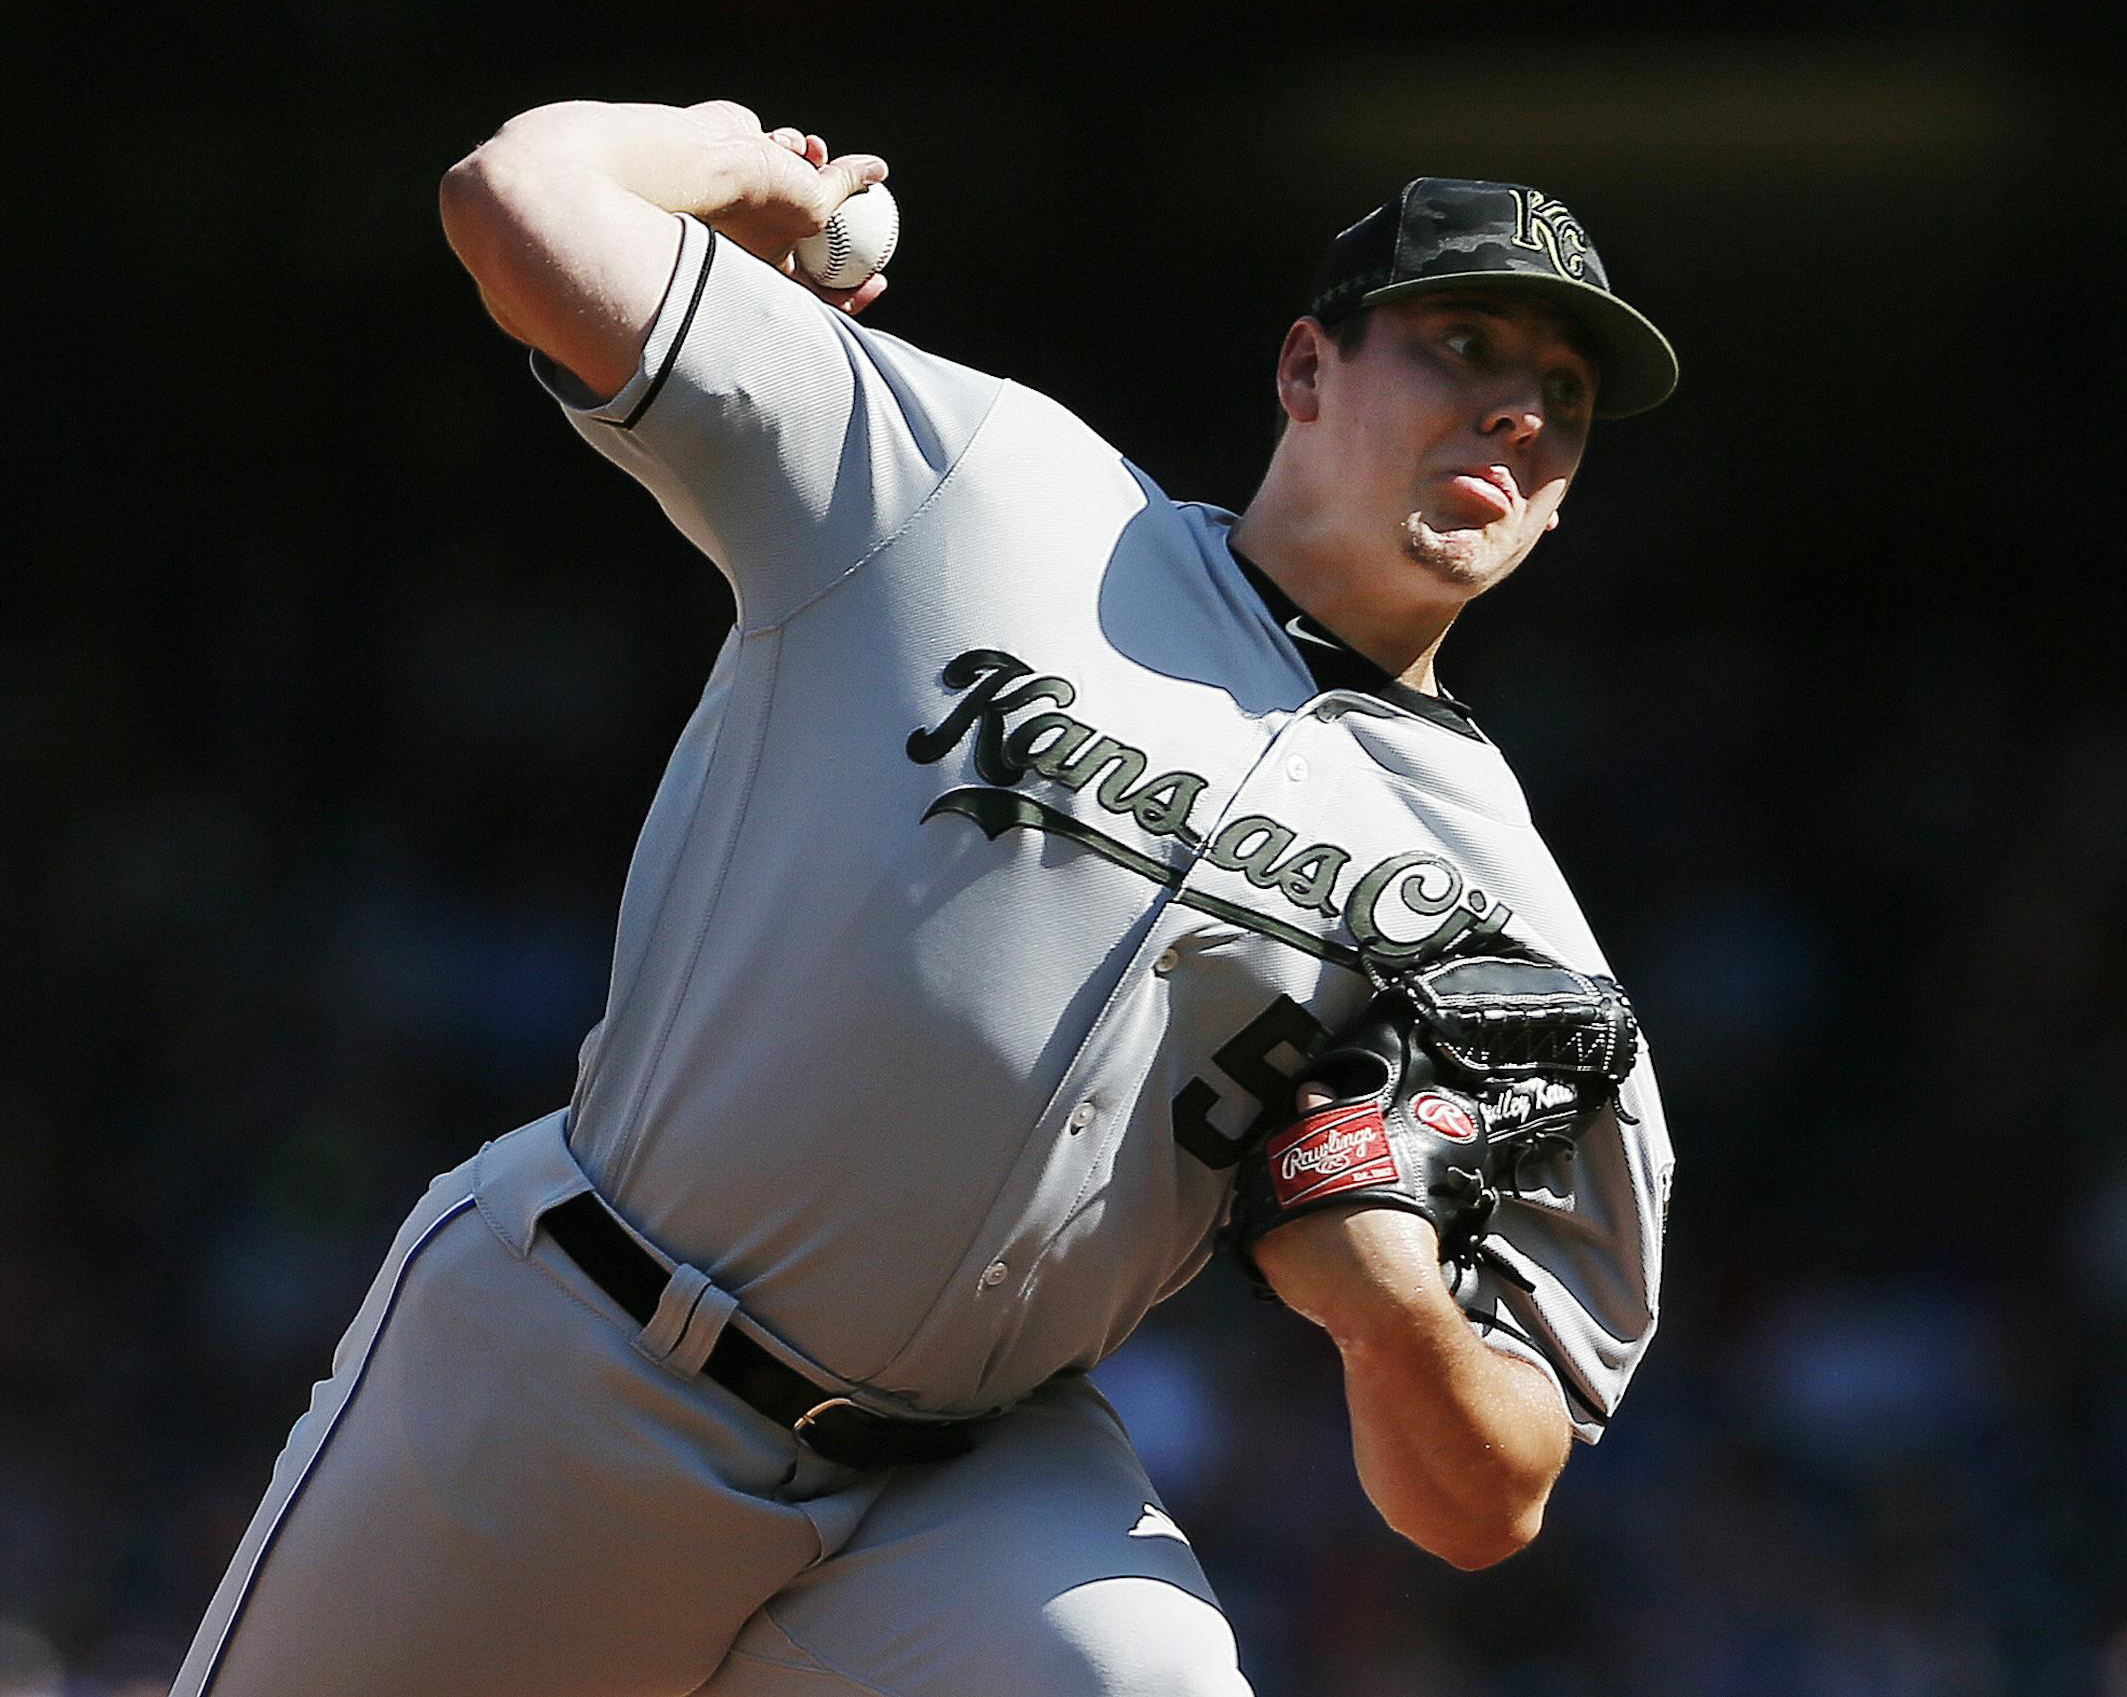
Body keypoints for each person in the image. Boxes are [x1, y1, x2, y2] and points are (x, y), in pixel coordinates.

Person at [170, 98, 1679, 1697]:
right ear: (1308, 370)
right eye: (1463, 345)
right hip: (579, 1359)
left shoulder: (1506, 914)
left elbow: (1483, 1499)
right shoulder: (978, 483)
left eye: (1564, 400)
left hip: (962, 1484)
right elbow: (512, 203)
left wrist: (1392, 1321)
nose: (1518, 413)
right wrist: (736, 167)